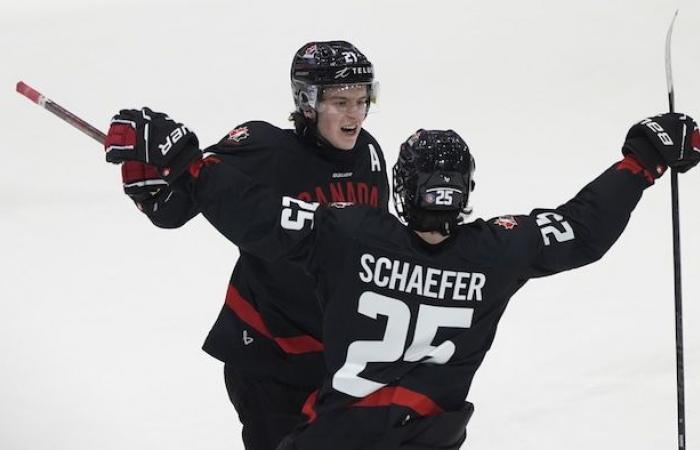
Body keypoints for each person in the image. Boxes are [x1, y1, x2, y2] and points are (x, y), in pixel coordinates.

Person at [105, 110, 700, 449]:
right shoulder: (498, 251)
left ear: (402, 190)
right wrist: (640, 164)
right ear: (466, 192)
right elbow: (581, 228)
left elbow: (261, 215)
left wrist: (192, 165)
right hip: (427, 439)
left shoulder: (350, 236)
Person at [113, 41, 390, 450]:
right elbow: (176, 206)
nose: (355, 114)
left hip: (335, 359)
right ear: (307, 102)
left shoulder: (368, 154)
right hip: (268, 358)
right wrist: (151, 180)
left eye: (362, 99)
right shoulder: (263, 147)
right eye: (340, 101)